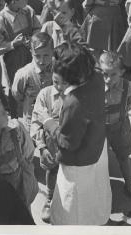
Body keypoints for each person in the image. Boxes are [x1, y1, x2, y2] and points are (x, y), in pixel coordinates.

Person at [41, 42, 112, 225]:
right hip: (97, 147)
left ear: (72, 77)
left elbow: (68, 143)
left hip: (79, 164)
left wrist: (49, 124)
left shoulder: (72, 104)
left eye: (59, 80)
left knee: (75, 205)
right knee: (96, 191)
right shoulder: (96, 77)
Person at [0, 0, 41, 116]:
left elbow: (37, 28)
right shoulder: (0, 19)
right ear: (13, 2)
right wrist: (12, 44)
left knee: (33, 84)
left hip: (32, 55)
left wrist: (33, 38)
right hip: (14, 59)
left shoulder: (28, 11)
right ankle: (17, 118)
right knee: (16, 88)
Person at [99, 52, 131, 203]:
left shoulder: (128, 87)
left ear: (122, 73)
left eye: (113, 75)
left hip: (120, 126)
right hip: (100, 131)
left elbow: (129, 104)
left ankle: (129, 187)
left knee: (124, 157)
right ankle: (103, 190)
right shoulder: (96, 87)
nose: (108, 79)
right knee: (101, 160)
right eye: (104, 74)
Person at [30, 56, 67, 223]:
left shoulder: (75, 96)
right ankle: (50, 198)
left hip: (69, 143)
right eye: (55, 81)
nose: (59, 87)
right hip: (50, 144)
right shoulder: (45, 94)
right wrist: (42, 147)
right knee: (51, 171)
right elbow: (36, 121)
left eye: (64, 83)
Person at [12, 32, 54, 128]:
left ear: (53, 51)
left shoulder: (58, 69)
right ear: (31, 52)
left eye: (46, 55)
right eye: (37, 56)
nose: (42, 61)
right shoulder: (24, 74)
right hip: (32, 123)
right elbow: (17, 95)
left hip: (54, 122)